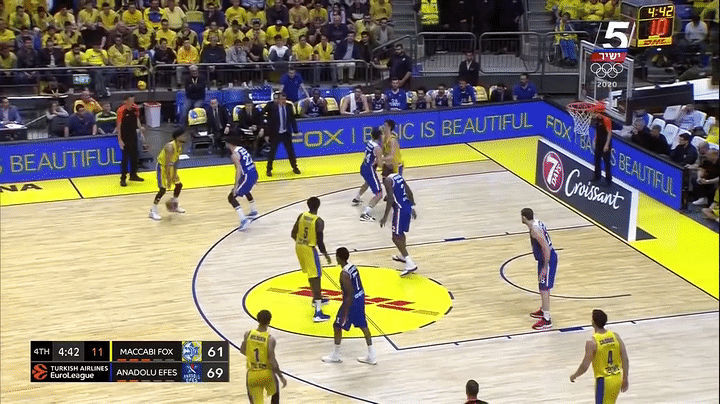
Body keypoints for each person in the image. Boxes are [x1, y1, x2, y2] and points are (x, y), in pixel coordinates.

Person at [321, 247, 377, 365]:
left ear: (338, 258)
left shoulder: (344, 274)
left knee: (337, 325)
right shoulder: (353, 267)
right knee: (363, 326)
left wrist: (345, 311)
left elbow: (349, 293)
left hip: (351, 302)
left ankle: (336, 355)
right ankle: (372, 355)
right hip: (360, 298)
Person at [570, 309, 629, 404]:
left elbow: (585, 365)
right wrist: (625, 377)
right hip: (617, 377)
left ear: (593, 322)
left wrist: (575, 375)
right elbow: (625, 358)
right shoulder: (615, 336)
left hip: (603, 380)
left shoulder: (592, 342)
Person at [291, 197, 332, 322]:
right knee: (316, 277)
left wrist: (301, 242)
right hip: (309, 249)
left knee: (311, 274)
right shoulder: (319, 221)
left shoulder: (301, 216)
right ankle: (318, 313)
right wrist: (326, 254)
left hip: (299, 246)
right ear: (318, 206)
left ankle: (316, 299)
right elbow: (320, 242)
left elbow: (293, 234)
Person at [240, 309, 287, 404]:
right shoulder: (270, 339)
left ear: (257, 320)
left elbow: (242, 351)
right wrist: (281, 376)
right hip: (266, 374)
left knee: (255, 401)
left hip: (252, 374)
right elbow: (273, 362)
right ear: (269, 321)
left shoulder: (248, 334)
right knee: (275, 395)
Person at [521, 208, 557, 330]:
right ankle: (543, 310)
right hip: (544, 259)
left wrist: (545, 267)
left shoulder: (535, 230)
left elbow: (546, 247)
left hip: (548, 259)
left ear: (524, 217)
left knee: (544, 288)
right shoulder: (537, 223)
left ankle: (547, 319)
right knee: (542, 287)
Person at [380, 164, 418, 276]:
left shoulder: (387, 180)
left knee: (395, 237)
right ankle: (403, 256)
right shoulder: (398, 177)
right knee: (400, 233)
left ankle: (410, 263)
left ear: (385, 172)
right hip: (406, 206)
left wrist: (385, 217)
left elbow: (391, 199)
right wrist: (412, 207)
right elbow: (408, 191)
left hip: (399, 209)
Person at [149, 128, 188, 220]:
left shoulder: (179, 147)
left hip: (170, 166)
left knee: (179, 185)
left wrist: (174, 173)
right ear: (178, 137)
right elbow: (167, 163)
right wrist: (169, 179)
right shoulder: (170, 147)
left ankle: (174, 205)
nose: (185, 137)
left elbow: (176, 162)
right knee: (163, 189)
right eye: (183, 135)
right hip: (162, 167)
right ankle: (153, 210)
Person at [262, 92, 301, 177]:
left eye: (284, 99)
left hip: (286, 133)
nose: (283, 101)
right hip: (275, 133)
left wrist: (295, 131)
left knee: (290, 152)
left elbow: (292, 119)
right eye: (281, 99)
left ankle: (295, 167)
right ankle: (269, 169)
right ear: (278, 99)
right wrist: (266, 134)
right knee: (272, 152)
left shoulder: (289, 106)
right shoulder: (271, 106)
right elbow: (265, 119)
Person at [226, 136, 259, 231]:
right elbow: (252, 162)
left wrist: (235, 186)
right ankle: (254, 211)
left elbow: (239, 170)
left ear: (229, 144)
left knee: (231, 197)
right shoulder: (242, 149)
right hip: (253, 173)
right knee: (246, 190)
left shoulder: (234, 154)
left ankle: (244, 220)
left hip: (247, 176)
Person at [352, 128, 384, 221]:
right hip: (369, 170)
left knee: (367, 183)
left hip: (363, 166)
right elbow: (380, 165)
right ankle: (365, 213)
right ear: (380, 136)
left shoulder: (369, 142)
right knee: (379, 194)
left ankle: (357, 197)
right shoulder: (378, 148)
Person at [116, 95, 145, 187]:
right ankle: (123, 178)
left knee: (135, 156)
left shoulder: (135, 108)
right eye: (130, 101)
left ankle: (133, 175)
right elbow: (119, 125)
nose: (132, 103)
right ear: (126, 101)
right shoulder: (121, 110)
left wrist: (140, 129)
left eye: (133, 100)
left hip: (133, 135)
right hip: (125, 136)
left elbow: (137, 119)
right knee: (125, 158)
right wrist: (120, 139)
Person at [592, 108, 613, 186]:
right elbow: (596, 130)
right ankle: (597, 176)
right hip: (598, 142)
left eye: (597, 113)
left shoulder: (606, 119)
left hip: (605, 142)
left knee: (606, 162)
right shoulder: (597, 119)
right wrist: (594, 139)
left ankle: (608, 180)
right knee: (597, 160)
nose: (596, 114)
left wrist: (607, 144)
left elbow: (609, 133)